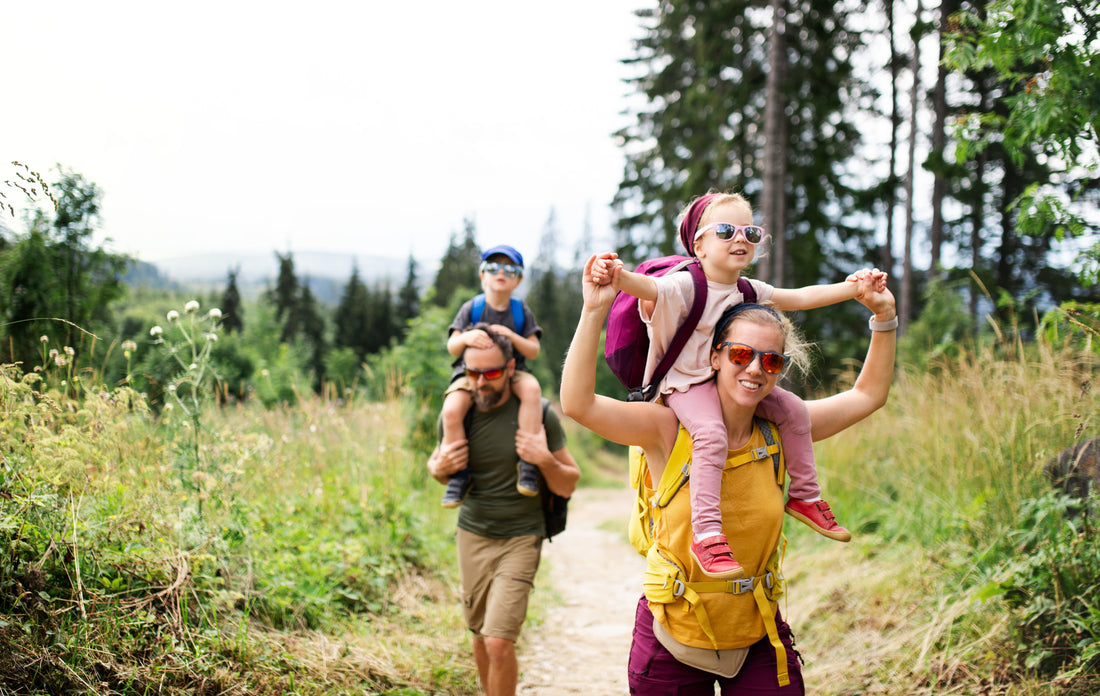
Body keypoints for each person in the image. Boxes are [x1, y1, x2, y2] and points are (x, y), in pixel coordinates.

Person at [562, 252, 897, 693]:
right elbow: (578, 404)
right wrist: (593, 310)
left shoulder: (783, 430)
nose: (755, 369)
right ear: (714, 357)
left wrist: (884, 317)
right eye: (740, 354)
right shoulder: (667, 428)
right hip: (671, 637)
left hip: (758, 633)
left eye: (772, 361)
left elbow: (868, 395)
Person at [591, 191, 886, 580]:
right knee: (711, 434)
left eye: (751, 231)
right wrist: (614, 276)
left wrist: (854, 289)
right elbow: (645, 288)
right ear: (698, 243)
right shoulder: (683, 285)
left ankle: (804, 496)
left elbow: (796, 299)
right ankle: (708, 534)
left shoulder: (746, 290)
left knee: (794, 409)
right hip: (684, 387)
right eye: (726, 230)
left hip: (721, 381)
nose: (740, 239)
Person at [428, 324, 581, 696]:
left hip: (520, 537)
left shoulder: (540, 414)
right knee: (480, 637)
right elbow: (437, 468)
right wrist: (438, 468)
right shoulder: (458, 413)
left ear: (511, 369)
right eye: (472, 373)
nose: (481, 382)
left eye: (492, 372)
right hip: (473, 534)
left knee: (498, 640)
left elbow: (568, 482)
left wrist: (543, 459)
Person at [441, 244, 545, 507]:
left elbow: (533, 350)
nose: (501, 273)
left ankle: (528, 464)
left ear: (519, 279)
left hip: (513, 370)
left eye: (510, 269)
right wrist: (465, 336)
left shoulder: (520, 311)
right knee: (452, 410)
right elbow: (452, 346)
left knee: (532, 391)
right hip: (472, 373)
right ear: (482, 275)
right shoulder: (472, 308)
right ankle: (459, 474)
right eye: (493, 268)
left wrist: (511, 336)